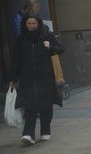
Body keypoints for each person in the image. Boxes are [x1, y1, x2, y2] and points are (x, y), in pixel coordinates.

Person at [9, 11, 64, 145]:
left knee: (46, 104)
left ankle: (45, 131)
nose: (32, 26)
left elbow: (61, 48)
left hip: (45, 76)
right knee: (29, 105)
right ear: (25, 24)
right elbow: (15, 60)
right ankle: (28, 134)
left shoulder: (47, 36)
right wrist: (13, 78)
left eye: (34, 23)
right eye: (29, 23)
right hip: (27, 77)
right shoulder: (21, 39)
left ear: (38, 23)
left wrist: (50, 47)